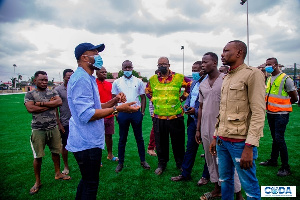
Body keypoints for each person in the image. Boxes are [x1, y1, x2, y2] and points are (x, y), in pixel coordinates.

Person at [67, 42, 139, 199]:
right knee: (91, 184)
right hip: (86, 142)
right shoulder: (81, 79)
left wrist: (115, 100)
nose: (99, 58)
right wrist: (119, 109)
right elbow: (87, 114)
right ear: (85, 57)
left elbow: (97, 106)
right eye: (95, 54)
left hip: (89, 140)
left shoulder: (87, 77)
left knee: (87, 181)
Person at [209, 40, 265, 200]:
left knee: (250, 187)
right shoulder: (226, 77)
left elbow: (259, 112)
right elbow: (223, 111)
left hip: (240, 143)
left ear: (239, 52)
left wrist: (250, 146)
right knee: (225, 180)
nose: (222, 54)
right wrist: (215, 136)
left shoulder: (252, 74)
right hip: (222, 142)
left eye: (226, 50)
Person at [195, 53, 243, 200]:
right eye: (201, 62)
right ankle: (217, 188)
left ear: (214, 63)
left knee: (226, 161)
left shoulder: (226, 79)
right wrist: (198, 129)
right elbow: (201, 107)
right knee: (210, 159)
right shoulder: (202, 83)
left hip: (223, 128)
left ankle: (238, 194)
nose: (202, 65)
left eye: (205, 62)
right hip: (205, 127)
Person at [24, 71, 71, 195]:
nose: (44, 82)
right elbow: (30, 108)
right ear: (35, 81)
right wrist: (50, 105)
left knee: (56, 152)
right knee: (38, 157)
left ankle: (58, 173)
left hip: (53, 127)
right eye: (41, 80)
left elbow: (59, 102)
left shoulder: (53, 91)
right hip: (38, 130)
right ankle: (37, 181)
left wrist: (39, 104)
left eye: (46, 80)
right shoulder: (30, 94)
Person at [145, 56, 192, 175]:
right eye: (160, 64)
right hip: (159, 117)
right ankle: (162, 164)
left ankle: (180, 163)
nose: (162, 66)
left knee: (178, 142)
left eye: (164, 64)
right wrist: (154, 99)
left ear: (169, 65)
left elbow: (190, 84)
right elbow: (147, 91)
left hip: (175, 116)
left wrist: (182, 98)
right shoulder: (153, 79)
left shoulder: (179, 77)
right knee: (161, 143)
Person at [170, 61, 210, 185]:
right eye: (192, 70)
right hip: (193, 120)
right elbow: (190, 97)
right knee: (191, 148)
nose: (194, 72)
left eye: (196, 70)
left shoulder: (209, 83)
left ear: (203, 70)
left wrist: (196, 110)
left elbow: (210, 104)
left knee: (208, 151)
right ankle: (185, 173)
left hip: (206, 121)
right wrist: (187, 105)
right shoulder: (194, 83)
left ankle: (206, 176)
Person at [259, 57, 298, 176]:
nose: (267, 66)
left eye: (269, 64)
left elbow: (295, 97)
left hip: (281, 114)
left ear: (276, 65)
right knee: (275, 138)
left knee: (279, 139)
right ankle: (273, 160)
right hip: (271, 112)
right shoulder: (270, 78)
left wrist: (283, 106)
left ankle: (286, 167)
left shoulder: (286, 78)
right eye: (266, 64)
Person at [112, 60, 150, 173]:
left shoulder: (138, 81)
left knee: (139, 138)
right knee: (122, 139)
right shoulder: (117, 82)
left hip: (136, 113)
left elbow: (143, 98)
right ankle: (120, 163)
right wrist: (116, 113)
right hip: (122, 113)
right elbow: (114, 99)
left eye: (129, 67)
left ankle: (143, 161)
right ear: (122, 68)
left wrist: (142, 113)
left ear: (132, 68)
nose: (128, 70)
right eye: (125, 68)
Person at [96, 67, 118, 162]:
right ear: (97, 73)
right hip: (98, 115)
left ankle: (110, 155)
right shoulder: (93, 84)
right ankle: (98, 158)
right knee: (98, 137)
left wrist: (115, 112)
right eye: (102, 72)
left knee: (109, 136)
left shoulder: (109, 84)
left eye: (105, 72)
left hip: (109, 114)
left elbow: (114, 99)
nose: (104, 73)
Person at [55, 69, 74, 175]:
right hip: (65, 122)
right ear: (64, 77)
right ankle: (66, 166)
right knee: (65, 145)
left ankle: (82, 162)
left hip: (77, 121)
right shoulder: (58, 90)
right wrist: (59, 123)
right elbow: (55, 109)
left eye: (72, 76)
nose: (70, 78)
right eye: (68, 76)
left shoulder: (76, 88)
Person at [147, 69, 160, 157]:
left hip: (163, 112)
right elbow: (151, 102)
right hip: (155, 112)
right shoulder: (153, 85)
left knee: (160, 130)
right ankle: (150, 148)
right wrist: (153, 114)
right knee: (155, 130)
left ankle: (156, 146)